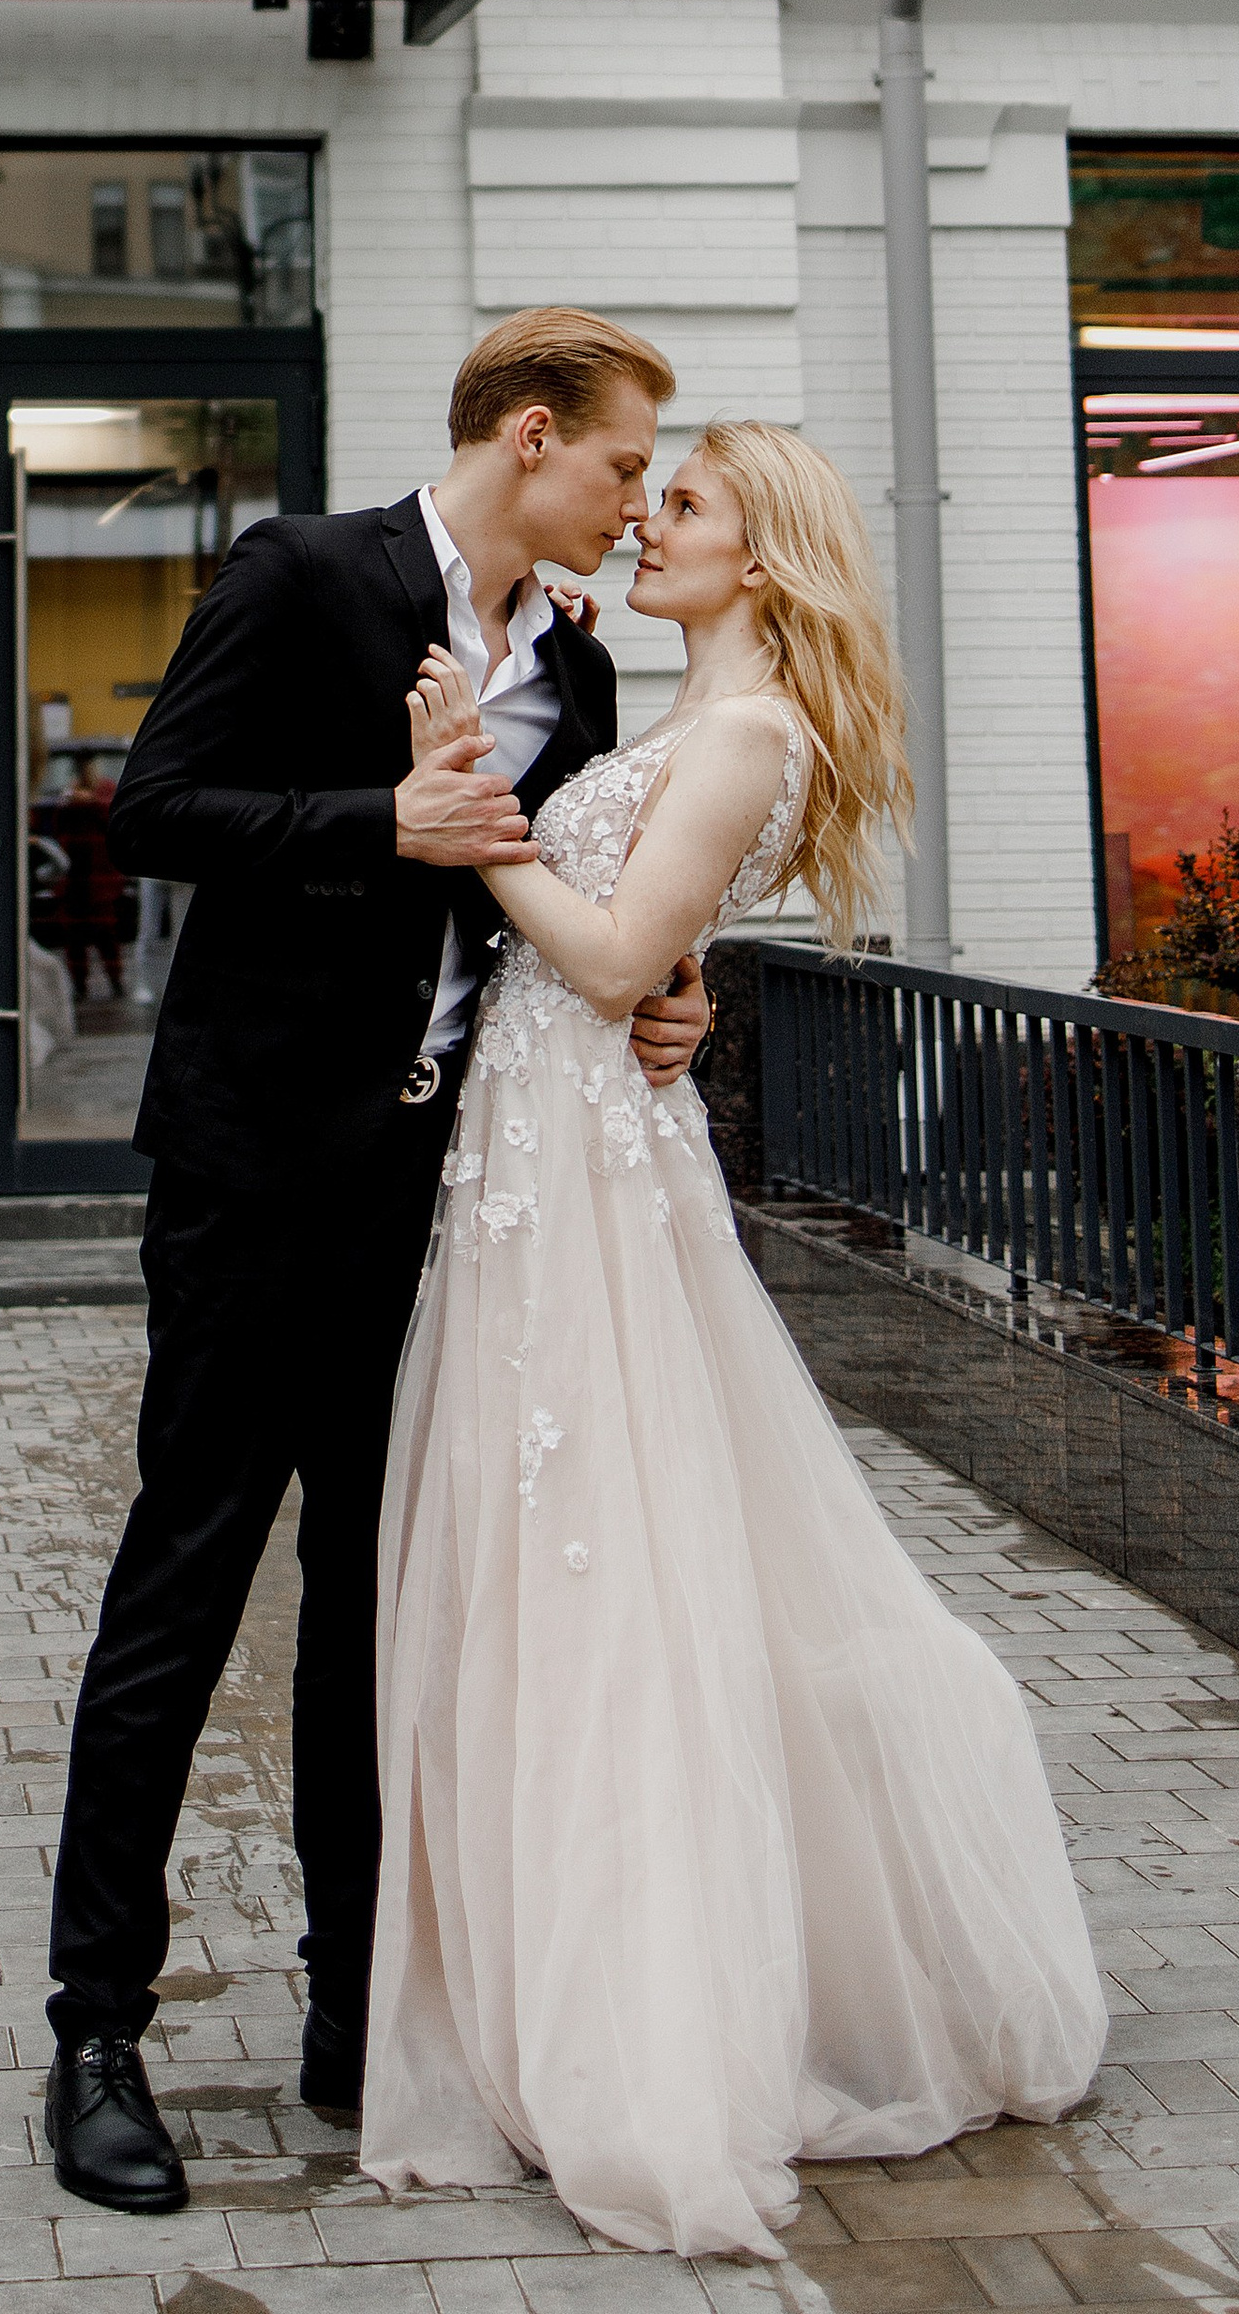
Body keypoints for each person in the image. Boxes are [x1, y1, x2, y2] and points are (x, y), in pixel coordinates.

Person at [364, 422, 1108, 2259]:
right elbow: (642, 967)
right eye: (649, 493)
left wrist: (469, 810)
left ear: (756, 557)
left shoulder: (752, 734)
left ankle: (667, 2019)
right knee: (562, 1555)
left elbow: (614, 963)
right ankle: (571, 1977)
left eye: (679, 506)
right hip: (546, 1150)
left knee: (631, 1564)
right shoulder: (675, 715)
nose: (646, 524)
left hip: (594, 1174)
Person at [42, 309, 713, 2215]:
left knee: (372, 1610)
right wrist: (380, 821)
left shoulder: (571, 674)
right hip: (254, 1181)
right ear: (527, 438)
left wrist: (673, 995)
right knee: (180, 1588)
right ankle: (97, 2030)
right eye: (618, 465)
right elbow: (151, 809)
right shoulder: (305, 570)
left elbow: (561, 899)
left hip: (440, 1197)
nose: (633, 500)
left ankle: (354, 2011)